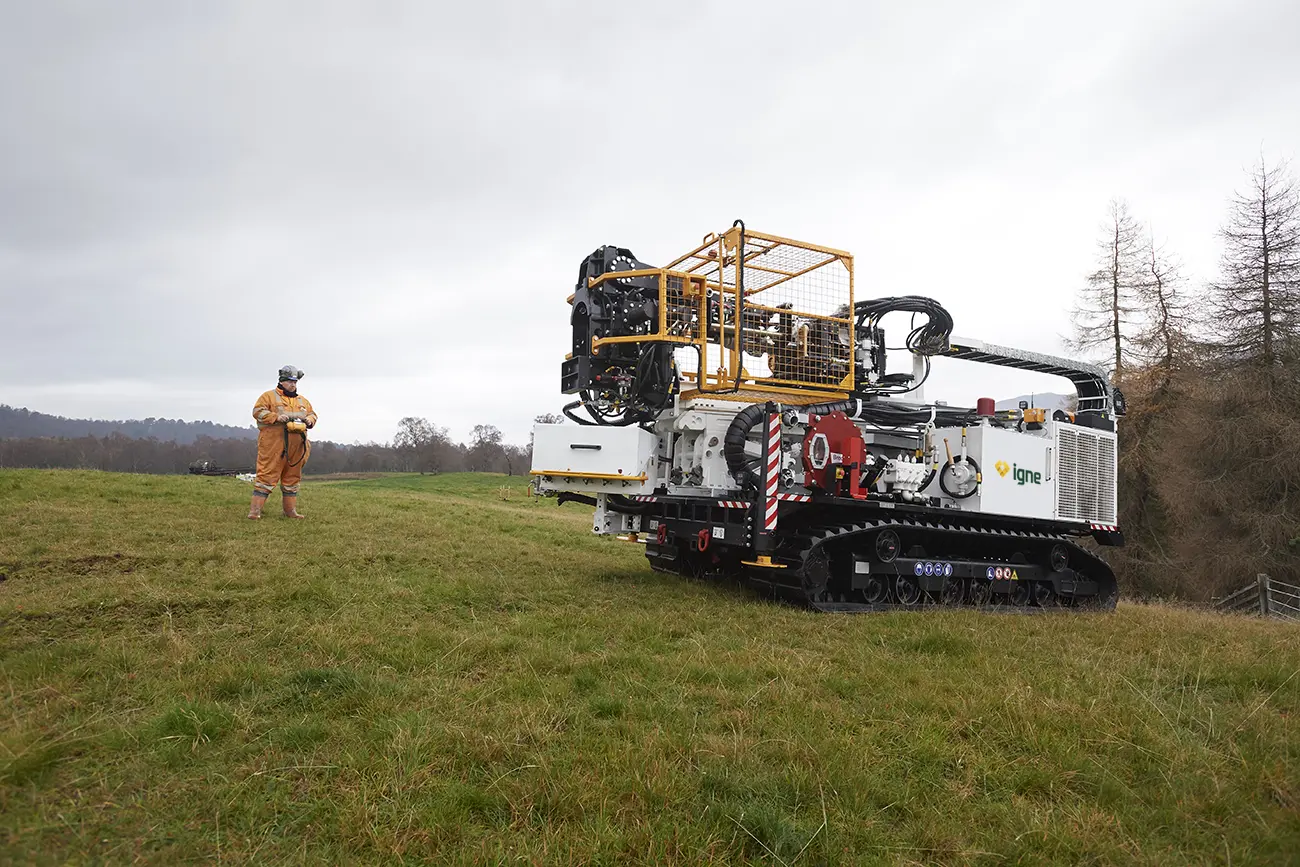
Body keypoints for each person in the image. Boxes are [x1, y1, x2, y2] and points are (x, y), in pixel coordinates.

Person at [247, 365, 318, 519]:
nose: (293, 385)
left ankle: (290, 511)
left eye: (295, 382)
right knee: (266, 476)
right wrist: (275, 417)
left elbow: (313, 414)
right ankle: (255, 511)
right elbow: (257, 412)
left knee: (292, 478)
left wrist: (310, 420)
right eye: (290, 382)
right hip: (273, 446)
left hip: (297, 447)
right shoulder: (268, 397)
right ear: (282, 381)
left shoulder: (302, 401)